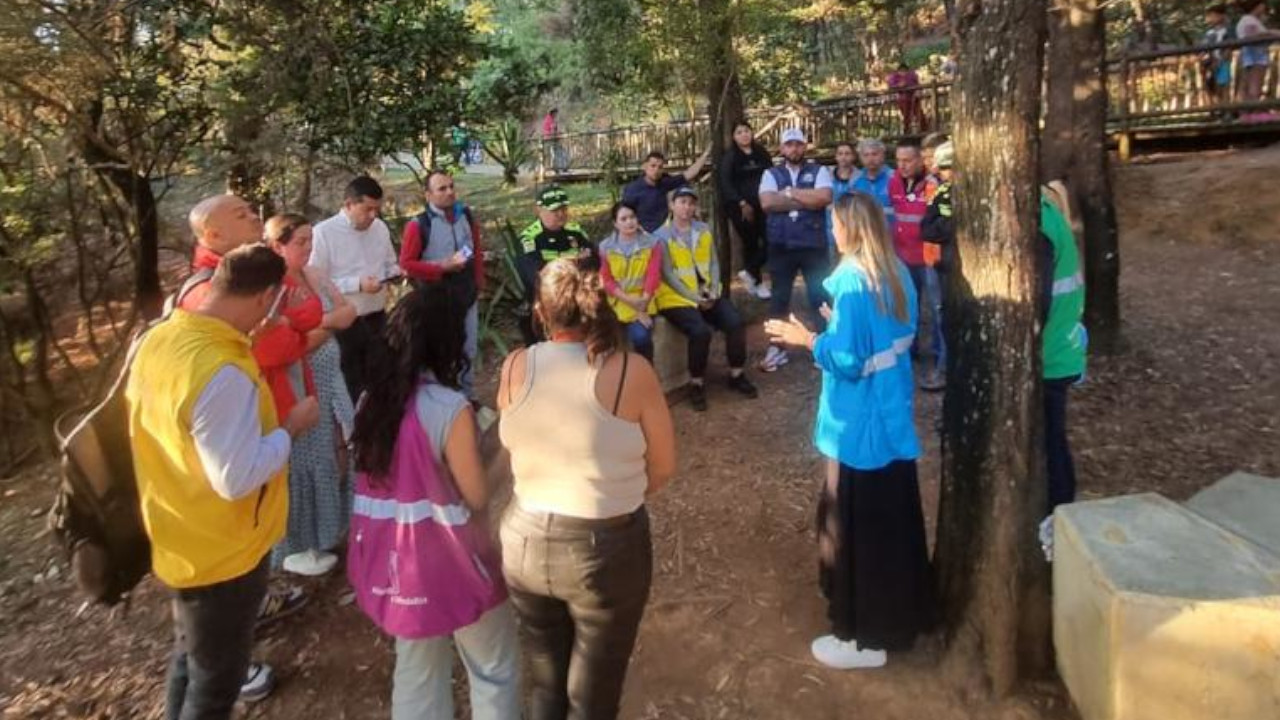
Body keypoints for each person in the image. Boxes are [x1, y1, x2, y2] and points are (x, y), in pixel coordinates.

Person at [126, 244, 321, 719]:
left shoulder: (161, 338)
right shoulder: (221, 372)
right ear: (264, 299)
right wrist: (291, 427)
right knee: (216, 685)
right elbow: (237, 478)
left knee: (192, 658)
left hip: (177, 528)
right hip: (222, 553)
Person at [497, 258, 677, 719]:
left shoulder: (515, 364)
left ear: (541, 312)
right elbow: (663, 466)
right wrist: (618, 492)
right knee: (594, 697)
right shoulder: (630, 371)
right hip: (606, 545)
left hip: (524, 540)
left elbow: (510, 440)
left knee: (547, 682)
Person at [764, 193, 931, 671]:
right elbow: (888, 338)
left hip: (858, 426)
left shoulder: (854, 284)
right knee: (890, 522)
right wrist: (839, 329)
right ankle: (902, 613)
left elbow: (850, 362)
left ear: (851, 230)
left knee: (855, 526)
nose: (831, 233)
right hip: (891, 417)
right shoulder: (895, 273)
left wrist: (810, 339)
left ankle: (863, 635)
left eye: (835, 225)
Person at [348, 286, 520, 720]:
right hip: (452, 561)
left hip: (394, 563)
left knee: (417, 668)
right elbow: (476, 494)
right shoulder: (448, 407)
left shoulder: (371, 401)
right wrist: (507, 447)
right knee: (493, 666)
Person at [178, 194, 309, 698]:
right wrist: (291, 426)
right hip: (216, 492)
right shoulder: (207, 299)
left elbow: (293, 326)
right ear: (210, 236)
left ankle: (259, 603)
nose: (256, 217)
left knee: (254, 541)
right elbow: (277, 343)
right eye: (243, 215)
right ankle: (235, 663)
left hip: (255, 422)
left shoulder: (238, 282)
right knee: (212, 638)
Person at [262, 215, 358, 578]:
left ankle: (333, 526)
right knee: (306, 461)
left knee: (341, 445)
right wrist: (324, 325)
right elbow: (289, 344)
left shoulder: (314, 275)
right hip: (299, 382)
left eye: (309, 240)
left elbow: (347, 312)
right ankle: (299, 544)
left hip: (332, 377)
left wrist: (321, 325)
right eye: (300, 242)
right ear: (278, 245)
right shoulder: (273, 289)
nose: (308, 247)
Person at [654, 186, 759, 410]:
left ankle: (736, 374)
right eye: (681, 202)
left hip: (706, 293)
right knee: (699, 331)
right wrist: (694, 298)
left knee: (735, 322)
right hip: (676, 298)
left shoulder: (702, 229)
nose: (687, 207)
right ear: (672, 206)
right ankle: (696, 383)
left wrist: (713, 290)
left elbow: (712, 261)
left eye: (691, 203)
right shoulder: (660, 236)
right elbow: (668, 274)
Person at [308, 176, 399, 402]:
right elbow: (316, 282)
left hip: (377, 317)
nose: (373, 215)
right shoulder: (323, 233)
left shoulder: (379, 228)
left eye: (377, 209)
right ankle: (355, 434)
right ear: (349, 204)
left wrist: (396, 273)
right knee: (352, 385)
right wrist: (357, 284)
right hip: (344, 324)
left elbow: (390, 262)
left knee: (381, 379)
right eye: (367, 209)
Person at [399, 170, 487, 399]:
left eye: (451, 186)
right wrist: (441, 267)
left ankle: (467, 398)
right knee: (442, 349)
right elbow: (407, 264)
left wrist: (479, 283)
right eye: (442, 188)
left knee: (469, 347)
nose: (449, 192)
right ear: (428, 195)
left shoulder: (465, 215)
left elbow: (476, 249)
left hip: (466, 293)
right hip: (435, 298)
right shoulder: (418, 225)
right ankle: (444, 400)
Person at [757, 127, 834, 373]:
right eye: (789, 145)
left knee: (819, 296)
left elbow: (823, 197)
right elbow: (767, 203)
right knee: (779, 299)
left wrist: (789, 194)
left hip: (813, 245)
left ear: (805, 146)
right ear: (782, 148)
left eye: (798, 144)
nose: (794, 149)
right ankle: (776, 348)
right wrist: (805, 199)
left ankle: (825, 347)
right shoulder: (770, 173)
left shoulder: (819, 170)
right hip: (781, 245)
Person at [1040, 182, 1088, 517]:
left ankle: (1059, 513)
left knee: (1051, 440)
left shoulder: (1041, 226)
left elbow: (1039, 300)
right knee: (1051, 435)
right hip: (1061, 346)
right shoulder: (1052, 217)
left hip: (1051, 353)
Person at [890, 144, 944, 391]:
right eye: (899, 160)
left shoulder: (933, 185)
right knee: (906, 306)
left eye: (908, 160)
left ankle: (939, 360)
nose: (903, 165)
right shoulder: (894, 182)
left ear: (920, 160)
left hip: (929, 257)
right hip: (902, 256)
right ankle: (908, 352)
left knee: (936, 310)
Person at [516, 185, 596, 344]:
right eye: (555, 211)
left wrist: (555, 264)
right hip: (545, 305)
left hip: (577, 300)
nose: (561, 214)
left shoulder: (576, 232)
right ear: (539, 210)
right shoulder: (529, 238)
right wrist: (573, 261)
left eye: (564, 209)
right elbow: (534, 275)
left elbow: (593, 261)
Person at [598, 202, 664, 362]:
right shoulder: (605, 247)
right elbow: (606, 280)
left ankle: (647, 375)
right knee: (602, 339)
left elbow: (653, 276)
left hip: (645, 301)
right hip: (618, 302)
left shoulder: (652, 243)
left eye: (632, 217)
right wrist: (632, 304)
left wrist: (642, 307)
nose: (629, 222)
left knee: (641, 338)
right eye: (624, 219)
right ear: (615, 223)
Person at [717, 120, 774, 299]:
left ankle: (749, 271)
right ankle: (757, 284)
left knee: (770, 240)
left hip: (763, 204)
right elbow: (726, 182)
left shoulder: (761, 153)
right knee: (750, 243)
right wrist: (741, 203)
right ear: (734, 137)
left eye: (746, 131)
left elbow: (772, 174)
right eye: (739, 132)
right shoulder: (730, 157)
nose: (744, 135)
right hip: (740, 207)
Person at [621, 149, 712, 233]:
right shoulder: (633, 189)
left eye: (660, 167)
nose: (656, 170)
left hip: (664, 234)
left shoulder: (664, 183)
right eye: (653, 166)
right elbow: (625, 214)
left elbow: (689, 174)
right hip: (642, 236)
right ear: (645, 166)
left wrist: (705, 154)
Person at [1237, 1, 1280, 121]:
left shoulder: (1248, 20)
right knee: (1255, 85)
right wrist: (1271, 33)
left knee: (1250, 85)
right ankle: (1255, 113)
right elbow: (1253, 36)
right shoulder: (1249, 20)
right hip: (1256, 56)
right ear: (1259, 6)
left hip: (1253, 56)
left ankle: (1247, 114)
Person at [851, 139, 895, 230]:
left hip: (891, 236)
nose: (870, 159)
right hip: (864, 236)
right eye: (866, 155)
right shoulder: (854, 180)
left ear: (883, 155)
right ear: (860, 158)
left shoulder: (895, 178)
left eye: (874, 154)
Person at [826, 142, 860, 251]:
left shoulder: (861, 177)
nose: (843, 157)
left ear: (853, 156)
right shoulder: (826, 176)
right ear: (836, 157)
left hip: (854, 234)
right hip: (830, 233)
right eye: (840, 154)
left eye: (847, 153)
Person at [1203, 4, 1235, 108]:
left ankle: (1226, 110)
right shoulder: (1209, 33)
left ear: (1222, 16)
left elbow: (1230, 47)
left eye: (1214, 15)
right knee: (1214, 87)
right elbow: (1205, 49)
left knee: (1224, 85)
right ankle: (1218, 109)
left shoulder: (1228, 30)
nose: (1211, 18)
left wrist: (1221, 60)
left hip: (1224, 62)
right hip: (1212, 63)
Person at [887, 62, 925, 134]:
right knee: (906, 115)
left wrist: (918, 91)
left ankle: (923, 129)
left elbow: (917, 85)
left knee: (919, 114)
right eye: (901, 70)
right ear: (898, 71)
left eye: (905, 70)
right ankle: (907, 131)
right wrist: (898, 86)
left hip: (913, 97)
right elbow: (891, 86)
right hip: (903, 99)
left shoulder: (912, 75)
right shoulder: (894, 77)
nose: (903, 72)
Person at [542, 108, 567, 172]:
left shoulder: (550, 119)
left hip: (551, 139)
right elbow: (552, 131)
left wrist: (559, 133)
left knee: (557, 153)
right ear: (552, 113)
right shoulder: (549, 120)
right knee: (556, 154)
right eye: (555, 113)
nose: (556, 114)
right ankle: (557, 168)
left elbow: (554, 130)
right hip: (550, 139)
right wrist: (559, 135)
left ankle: (558, 168)